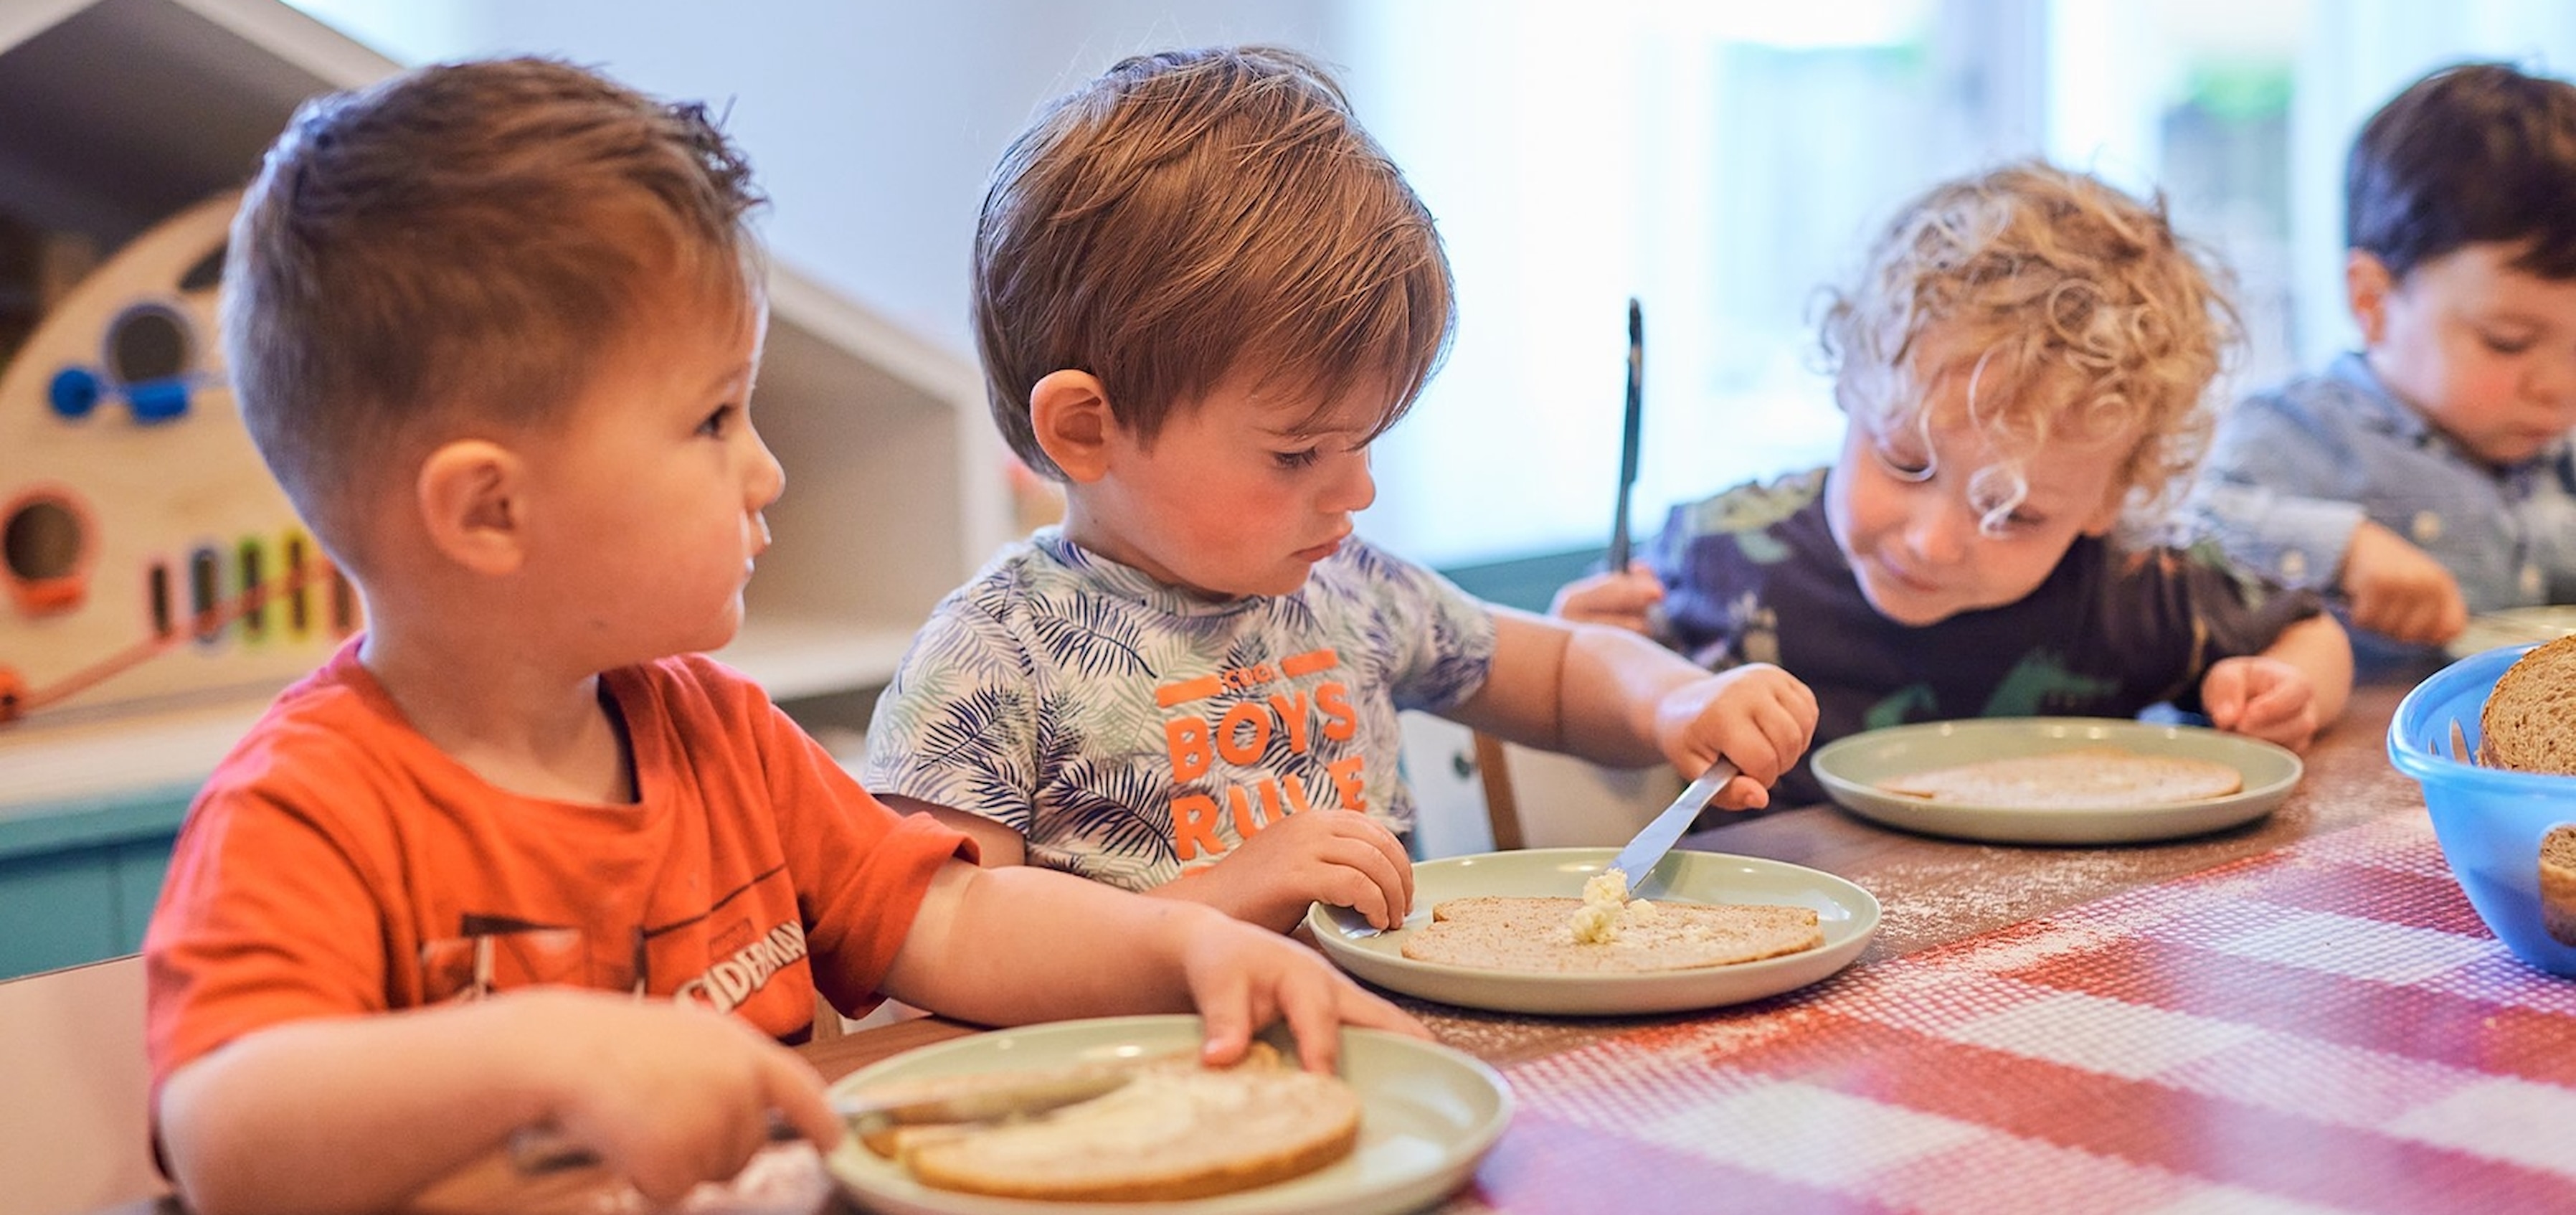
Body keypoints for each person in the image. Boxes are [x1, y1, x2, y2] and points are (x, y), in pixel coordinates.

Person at [143, 57, 1426, 1215]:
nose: (763, 472)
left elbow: (964, 925)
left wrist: (1186, 942)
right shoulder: (306, 808)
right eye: (711, 420)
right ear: (489, 508)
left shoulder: (722, 741)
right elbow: (224, 1132)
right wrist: (553, 1052)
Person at [861, 47, 1818, 935]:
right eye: (1296, 453)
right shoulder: (992, 656)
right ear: (1086, 429)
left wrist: (1678, 702)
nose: (1355, 490)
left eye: (1364, 442)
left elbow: (1563, 673)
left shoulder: (1349, 592)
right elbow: (939, 936)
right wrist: (1222, 898)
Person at [1554, 162, 2352, 805]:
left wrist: (2285, 690)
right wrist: (1589, 644)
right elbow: (1594, 702)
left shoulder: (2133, 589)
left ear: (2108, 503)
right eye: (1905, 463)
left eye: (2011, 514)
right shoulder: (1718, 552)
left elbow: (2310, 630)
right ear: (1852, 384)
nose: (1933, 540)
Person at [2190, 62, 2576, 679]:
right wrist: (2344, 549)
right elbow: (2187, 526)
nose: (2559, 389)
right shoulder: (2301, 432)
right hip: (2346, 754)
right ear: (2372, 301)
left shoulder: (2560, 453)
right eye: (2509, 342)